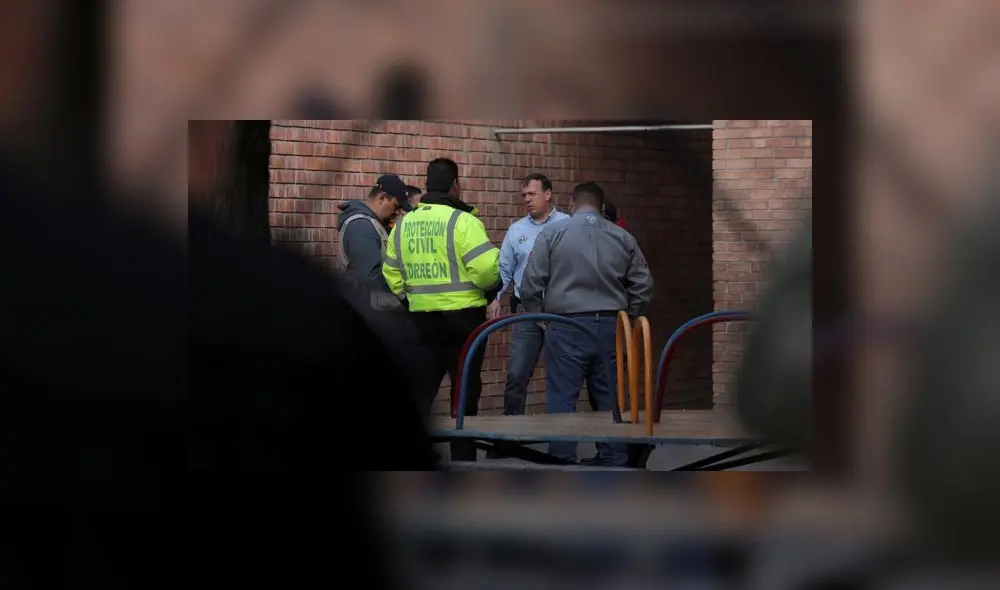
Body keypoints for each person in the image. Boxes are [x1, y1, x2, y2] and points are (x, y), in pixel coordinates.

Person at [520, 181, 654, 466]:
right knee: (609, 399)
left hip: (565, 324)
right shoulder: (622, 237)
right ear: (602, 205)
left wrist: (539, 314)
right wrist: (629, 316)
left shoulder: (552, 234)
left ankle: (562, 460)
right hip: (610, 326)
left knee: (562, 398)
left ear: (571, 203)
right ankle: (615, 458)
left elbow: (531, 282)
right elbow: (643, 284)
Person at [383, 158, 501, 462]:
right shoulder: (463, 222)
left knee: (420, 392)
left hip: (420, 319)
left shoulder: (403, 224)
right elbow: (487, 270)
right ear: (454, 184)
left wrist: (411, 299)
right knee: (463, 394)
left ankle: (408, 455)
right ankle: (463, 459)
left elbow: (392, 274)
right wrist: (490, 290)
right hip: (464, 322)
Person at [488, 173, 570, 417]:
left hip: (560, 309)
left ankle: (563, 439)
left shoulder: (567, 225)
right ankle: (512, 437)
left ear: (548, 194)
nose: (527, 200)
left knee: (564, 375)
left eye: (532, 194)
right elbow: (505, 269)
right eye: (524, 195)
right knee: (516, 374)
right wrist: (495, 297)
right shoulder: (517, 230)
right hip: (526, 311)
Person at [336, 174, 412, 289]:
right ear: (382, 199)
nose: (397, 213)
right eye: (396, 207)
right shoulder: (361, 227)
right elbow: (371, 280)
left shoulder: (372, 224)